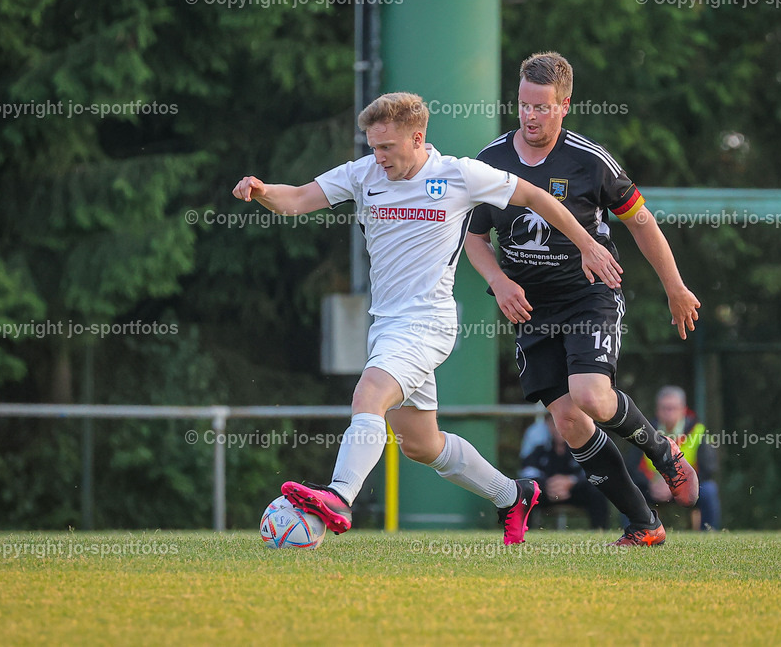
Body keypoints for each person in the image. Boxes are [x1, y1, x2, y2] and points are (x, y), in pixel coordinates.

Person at [231, 91, 623, 545]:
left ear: (417, 138)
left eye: (387, 148)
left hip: (428, 323)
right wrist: (261, 192)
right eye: (373, 147)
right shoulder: (364, 174)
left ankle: (339, 497)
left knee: (369, 394)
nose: (378, 158)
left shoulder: (458, 175)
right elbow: (297, 199)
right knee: (421, 443)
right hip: (387, 326)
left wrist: (587, 244)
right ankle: (512, 495)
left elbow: (536, 197)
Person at [465, 51, 701, 546]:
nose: (530, 116)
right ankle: (645, 524)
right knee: (569, 421)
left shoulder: (590, 160)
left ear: (564, 105)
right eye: (524, 105)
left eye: (542, 107)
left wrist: (675, 287)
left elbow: (641, 222)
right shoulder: (490, 162)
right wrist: (500, 283)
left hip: (589, 294)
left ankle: (664, 452)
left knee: (592, 395)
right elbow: (473, 237)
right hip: (531, 306)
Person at [631, 386, 720, 531]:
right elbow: (632, 467)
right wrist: (650, 484)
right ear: (657, 410)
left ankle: (709, 533)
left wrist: (676, 484)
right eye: (664, 408)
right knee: (632, 489)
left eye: (673, 408)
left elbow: (708, 468)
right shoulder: (643, 432)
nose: (668, 413)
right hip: (653, 489)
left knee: (709, 490)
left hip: (688, 487)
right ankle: (635, 533)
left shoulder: (698, 431)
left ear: (683, 410)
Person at [520, 414, 610, 530]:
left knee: (597, 491)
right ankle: (522, 533)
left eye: (563, 423)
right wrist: (547, 484)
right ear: (547, 426)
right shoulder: (539, 449)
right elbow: (527, 472)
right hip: (547, 492)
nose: (558, 428)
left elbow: (594, 471)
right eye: (554, 424)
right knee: (526, 492)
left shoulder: (581, 448)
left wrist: (571, 481)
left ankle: (600, 531)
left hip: (574, 492)